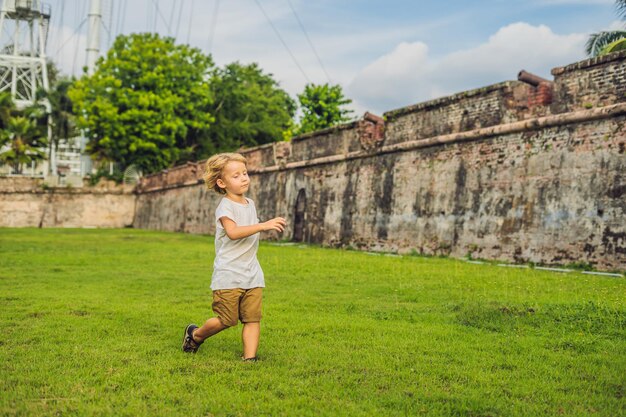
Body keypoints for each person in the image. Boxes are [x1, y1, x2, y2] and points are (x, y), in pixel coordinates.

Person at [181, 152, 286, 361]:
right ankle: (195, 335)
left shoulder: (251, 203)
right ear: (222, 182)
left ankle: (249, 359)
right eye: (236, 175)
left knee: (252, 319)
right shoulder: (225, 206)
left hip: (252, 274)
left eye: (245, 173)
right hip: (229, 274)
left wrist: (260, 226)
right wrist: (263, 225)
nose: (244, 178)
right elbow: (233, 232)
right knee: (227, 320)